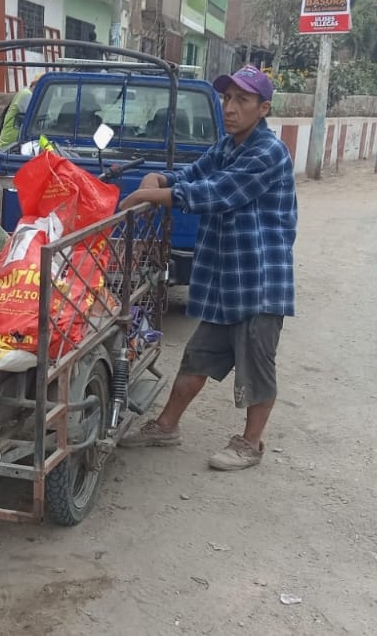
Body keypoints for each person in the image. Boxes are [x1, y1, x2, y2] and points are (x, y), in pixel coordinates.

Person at [118, 65, 297, 471]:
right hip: (225, 278)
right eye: (227, 98)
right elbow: (193, 174)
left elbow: (216, 192)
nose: (230, 108)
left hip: (259, 279)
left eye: (242, 100)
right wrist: (161, 177)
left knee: (256, 365)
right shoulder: (226, 145)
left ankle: (251, 443)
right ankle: (166, 426)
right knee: (197, 356)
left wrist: (158, 195)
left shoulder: (268, 152)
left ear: (263, 108)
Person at [0, 73, 44, 149]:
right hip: (12, 141)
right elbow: (33, 118)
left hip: (15, 140)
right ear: (34, 85)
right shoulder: (27, 94)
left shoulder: (28, 94)